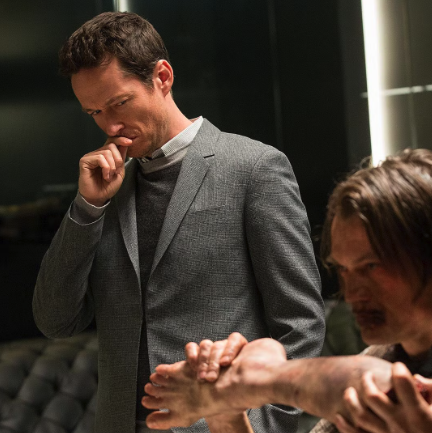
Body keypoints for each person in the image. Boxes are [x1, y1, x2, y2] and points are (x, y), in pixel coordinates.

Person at [32, 11, 325, 433]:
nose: (110, 125)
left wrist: (256, 426)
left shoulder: (254, 168)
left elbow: (300, 326)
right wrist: (87, 207)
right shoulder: (104, 189)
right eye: (94, 111)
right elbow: (54, 320)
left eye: (119, 103)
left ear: (162, 77)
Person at [142, 148, 432, 433]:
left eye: (371, 266)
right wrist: (224, 413)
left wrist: (255, 378)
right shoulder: (383, 356)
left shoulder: (381, 372)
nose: (353, 293)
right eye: (343, 269)